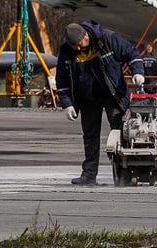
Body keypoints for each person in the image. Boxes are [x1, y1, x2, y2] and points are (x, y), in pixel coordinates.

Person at [56, 20, 146, 186]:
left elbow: (131, 53)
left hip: (113, 95)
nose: (78, 49)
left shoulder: (108, 39)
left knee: (120, 132)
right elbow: (61, 79)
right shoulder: (67, 51)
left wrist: (138, 72)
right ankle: (89, 175)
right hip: (87, 98)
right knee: (90, 135)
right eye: (74, 46)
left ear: (85, 36)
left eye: (79, 44)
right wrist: (67, 104)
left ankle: (124, 174)